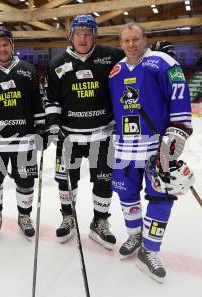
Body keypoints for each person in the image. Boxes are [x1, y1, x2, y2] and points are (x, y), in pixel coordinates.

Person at [109, 23, 194, 282]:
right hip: (124, 145)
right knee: (126, 192)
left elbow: (179, 93)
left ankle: (150, 249)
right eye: (126, 40)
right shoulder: (115, 71)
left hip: (157, 146)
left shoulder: (163, 62)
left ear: (145, 39)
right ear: (121, 43)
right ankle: (135, 236)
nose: (132, 44)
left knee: (160, 196)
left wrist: (178, 129)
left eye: (136, 39)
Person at [45, 15, 122, 249]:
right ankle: (68, 217)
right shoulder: (57, 63)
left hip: (103, 135)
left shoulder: (111, 56)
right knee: (67, 180)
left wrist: (156, 52)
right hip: (70, 137)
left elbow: (134, 62)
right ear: (71, 35)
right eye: (78, 33)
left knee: (104, 181)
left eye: (88, 34)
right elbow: (53, 99)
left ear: (94, 36)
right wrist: (53, 123)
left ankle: (100, 222)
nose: (83, 38)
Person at [0, 26, 45, 240]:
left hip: (24, 139)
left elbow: (36, 103)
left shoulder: (27, 70)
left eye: (5, 44)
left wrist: (41, 129)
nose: (2, 48)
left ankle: (24, 216)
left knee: (25, 181)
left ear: (12, 45)